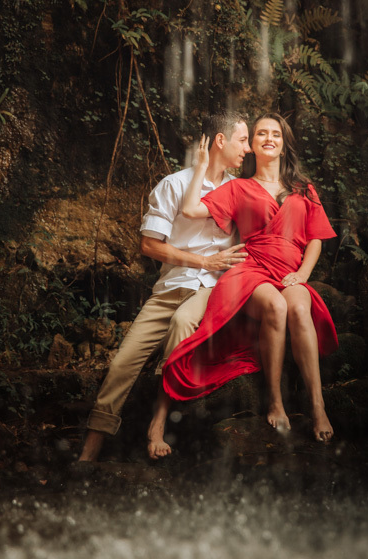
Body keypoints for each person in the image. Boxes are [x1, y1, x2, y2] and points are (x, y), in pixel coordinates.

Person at [78, 112, 251, 462]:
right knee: (122, 364)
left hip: (210, 289)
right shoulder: (173, 185)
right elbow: (149, 245)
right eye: (243, 140)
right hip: (170, 287)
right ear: (220, 140)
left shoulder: (239, 190)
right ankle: (88, 452)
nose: (247, 149)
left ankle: (157, 425)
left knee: (182, 323)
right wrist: (204, 261)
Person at [162, 113, 338, 442]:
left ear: (284, 144)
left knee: (300, 309)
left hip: (291, 271)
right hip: (252, 269)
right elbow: (190, 209)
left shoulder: (304, 188)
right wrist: (201, 166)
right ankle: (275, 401)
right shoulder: (238, 187)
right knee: (276, 307)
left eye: (276, 134)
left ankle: (318, 407)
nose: (269, 138)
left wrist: (302, 274)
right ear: (252, 146)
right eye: (261, 134)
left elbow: (315, 238)